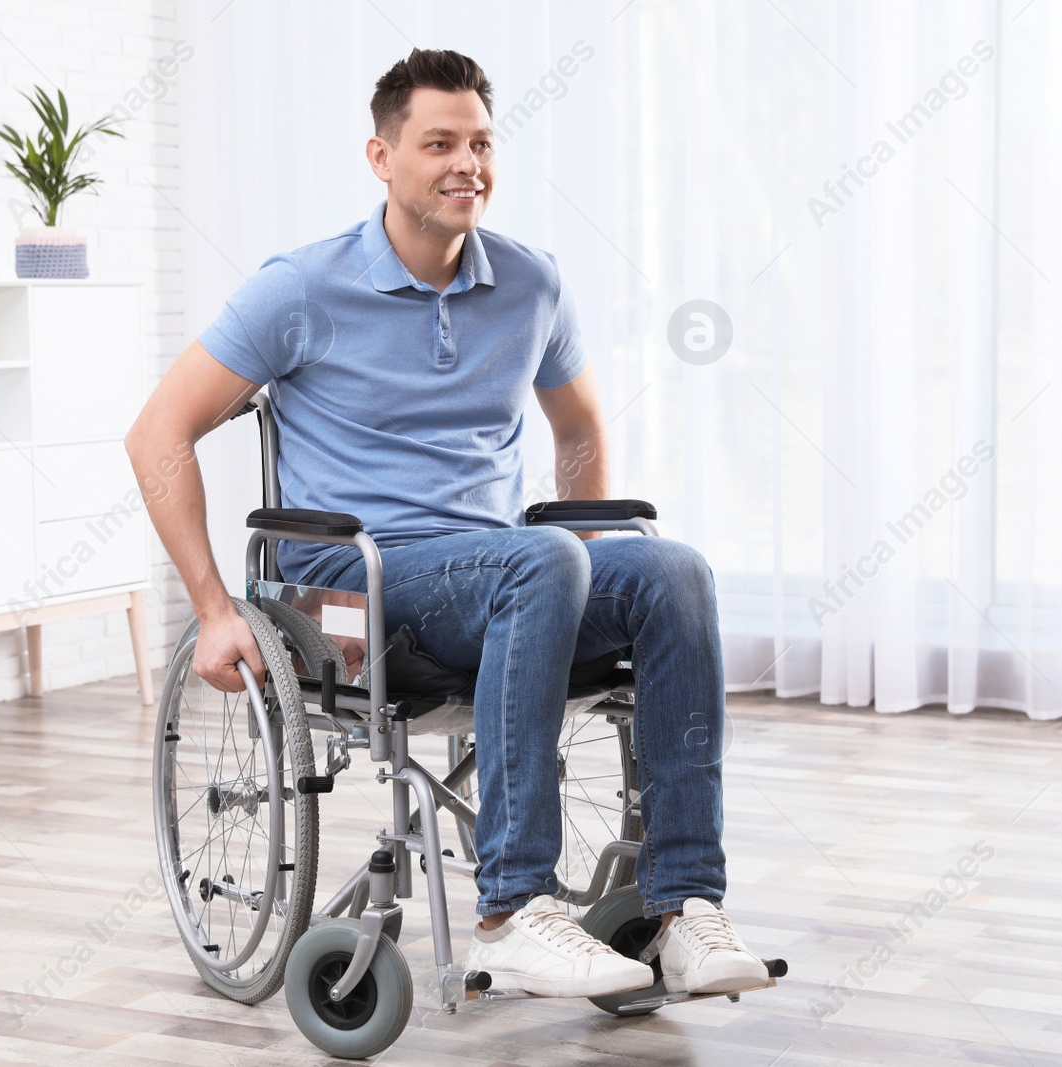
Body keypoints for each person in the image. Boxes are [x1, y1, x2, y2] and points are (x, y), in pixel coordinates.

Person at [125, 47, 768, 1000]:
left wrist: (575, 569)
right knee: (541, 561)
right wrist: (214, 608)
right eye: (439, 143)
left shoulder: (530, 284)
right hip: (356, 592)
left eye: (480, 142)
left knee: (672, 570)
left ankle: (682, 905)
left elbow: (581, 426)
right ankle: (513, 910)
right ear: (382, 157)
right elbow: (157, 434)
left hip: (502, 580)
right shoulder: (300, 288)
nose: (467, 163)